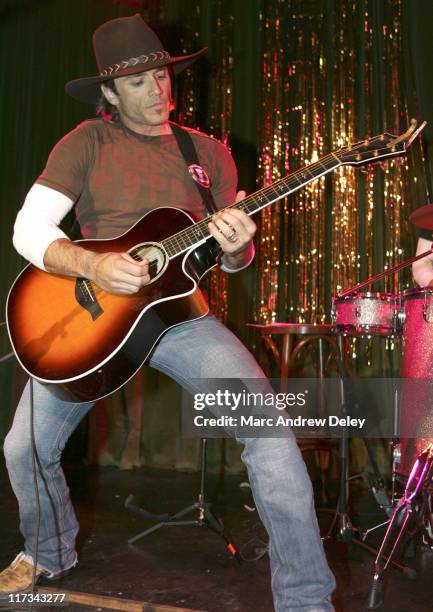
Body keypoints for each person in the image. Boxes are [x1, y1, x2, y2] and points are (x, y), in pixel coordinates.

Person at [1, 14, 335, 611]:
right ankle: (47, 552)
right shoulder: (86, 142)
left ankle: (307, 599)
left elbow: (234, 259)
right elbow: (28, 229)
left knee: (271, 436)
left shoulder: (207, 154)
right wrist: (94, 266)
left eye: (160, 77)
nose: (156, 91)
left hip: (181, 317)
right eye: (137, 83)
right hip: (91, 315)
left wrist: (237, 249)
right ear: (109, 93)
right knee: (22, 450)